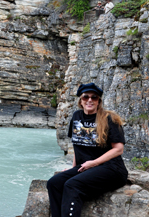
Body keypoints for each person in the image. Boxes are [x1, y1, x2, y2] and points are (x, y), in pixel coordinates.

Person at [47, 83, 128, 217]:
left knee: (72, 185)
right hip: (87, 168)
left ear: (98, 101)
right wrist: (73, 169)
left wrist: (94, 163)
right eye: (86, 97)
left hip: (112, 170)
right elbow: (77, 146)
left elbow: (118, 149)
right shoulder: (77, 117)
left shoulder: (109, 119)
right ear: (81, 100)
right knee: (54, 183)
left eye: (94, 97)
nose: (89, 100)